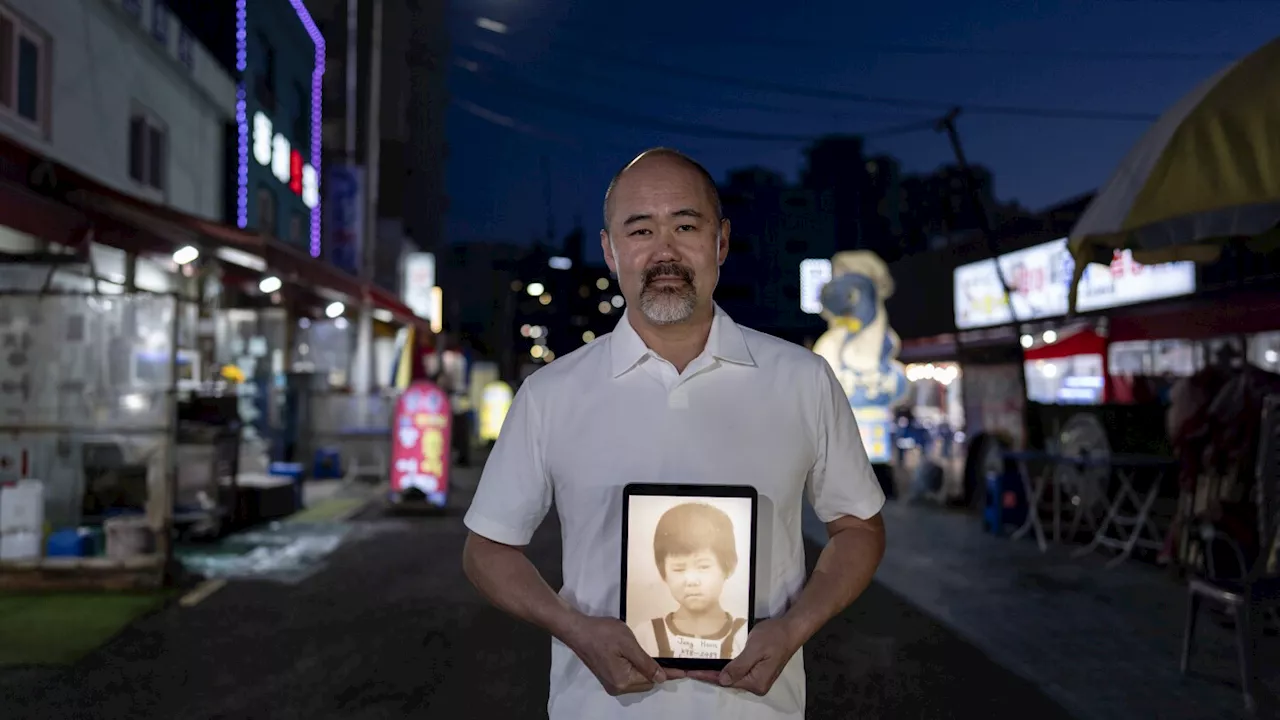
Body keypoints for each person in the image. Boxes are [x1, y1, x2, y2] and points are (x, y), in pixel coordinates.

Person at [461, 147, 886, 719]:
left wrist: (794, 627)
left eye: (686, 225)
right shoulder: (550, 395)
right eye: (640, 230)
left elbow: (858, 526)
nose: (664, 251)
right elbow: (487, 547)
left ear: (722, 242)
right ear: (611, 251)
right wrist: (575, 629)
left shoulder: (802, 380)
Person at [630, 502, 748, 661]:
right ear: (663, 572)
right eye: (679, 569)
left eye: (703, 566)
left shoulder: (746, 635)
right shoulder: (646, 635)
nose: (691, 581)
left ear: (728, 566)